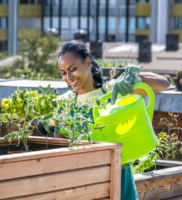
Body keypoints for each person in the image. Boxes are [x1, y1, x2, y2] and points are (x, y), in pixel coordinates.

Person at [55, 40, 169, 200]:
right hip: (85, 183)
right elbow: (59, 148)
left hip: (120, 177)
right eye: (63, 73)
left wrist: (133, 78)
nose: (68, 77)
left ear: (87, 62)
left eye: (72, 69)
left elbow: (164, 84)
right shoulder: (64, 103)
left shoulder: (111, 91)